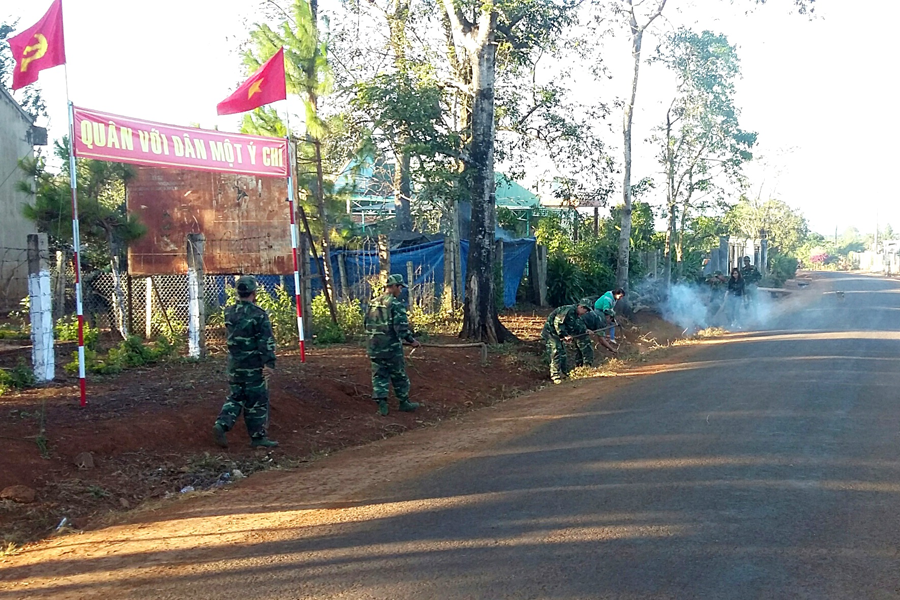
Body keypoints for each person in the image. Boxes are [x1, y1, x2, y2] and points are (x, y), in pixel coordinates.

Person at [213, 276, 279, 449]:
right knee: (256, 401)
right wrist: (269, 363)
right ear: (254, 293)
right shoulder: (259, 315)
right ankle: (258, 437)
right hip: (254, 366)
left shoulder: (229, 312)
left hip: (234, 366)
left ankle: (222, 424)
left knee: (235, 398)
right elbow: (265, 341)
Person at [365, 274, 421, 416]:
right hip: (391, 349)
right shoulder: (395, 305)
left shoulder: (372, 303)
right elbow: (400, 327)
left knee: (379, 376)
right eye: (400, 287)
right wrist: (411, 340)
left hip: (374, 347)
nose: (401, 290)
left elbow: (366, 324)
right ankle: (404, 402)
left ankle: (382, 406)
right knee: (398, 375)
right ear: (394, 286)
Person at [541, 300, 593, 384]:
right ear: (581, 307)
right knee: (556, 352)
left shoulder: (576, 315)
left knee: (563, 354)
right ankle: (555, 376)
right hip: (551, 332)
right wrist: (564, 335)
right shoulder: (568, 310)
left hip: (558, 334)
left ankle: (564, 374)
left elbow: (577, 325)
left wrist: (585, 330)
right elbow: (558, 323)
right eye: (585, 310)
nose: (585, 312)